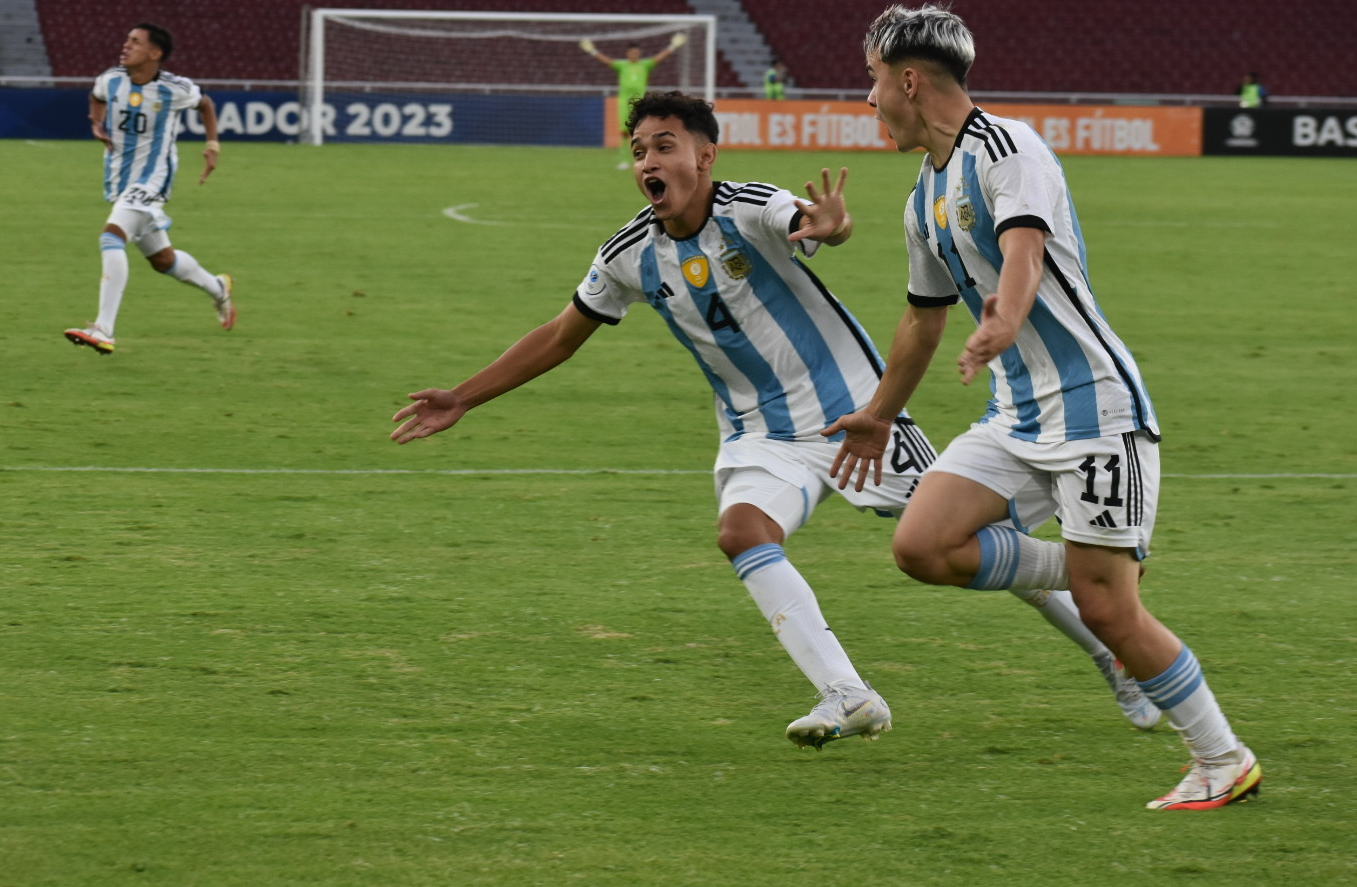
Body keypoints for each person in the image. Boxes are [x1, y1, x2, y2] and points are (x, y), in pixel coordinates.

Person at [392, 89, 1161, 751]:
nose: (649, 162)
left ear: (707, 156)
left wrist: (828, 225)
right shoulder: (629, 253)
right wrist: (464, 395)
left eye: (666, 145)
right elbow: (561, 335)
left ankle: (1109, 646)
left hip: (859, 418)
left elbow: (814, 222)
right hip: (760, 436)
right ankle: (849, 696)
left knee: (971, 545)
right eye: (638, 151)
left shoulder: (751, 208)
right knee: (742, 533)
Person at [828, 3, 1259, 809]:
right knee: (921, 544)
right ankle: (1103, 572)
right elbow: (923, 319)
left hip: (1096, 411)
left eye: (873, 82)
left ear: (910, 80)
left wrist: (1005, 319)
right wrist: (882, 412)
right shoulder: (923, 196)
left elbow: (1023, 248)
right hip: (1017, 418)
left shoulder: (1009, 148)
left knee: (1111, 615)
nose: (870, 100)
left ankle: (1223, 757)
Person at [62, 23, 235, 355]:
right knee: (163, 260)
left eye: (135, 42)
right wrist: (96, 123)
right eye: (126, 39)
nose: (126, 46)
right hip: (120, 179)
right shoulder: (111, 79)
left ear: (155, 53)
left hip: (153, 180)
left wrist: (212, 144)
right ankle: (218, 287)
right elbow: (96, 97)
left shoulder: (175, 88)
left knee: (111, 237)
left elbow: (206, 104)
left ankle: (103, 329)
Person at [580, 33, 687, 168]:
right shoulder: (622, 65)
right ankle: (624, 159)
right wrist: (592, 51)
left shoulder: (645, 65)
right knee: (624, 132)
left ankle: (644, 159)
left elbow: (660, 58)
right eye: (632, 53)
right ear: (628, 54)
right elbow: (607, 61)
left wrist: (673, 46)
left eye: (636, 53)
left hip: (640, 104)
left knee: (641, 132)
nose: (634, 55)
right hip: (624, 103)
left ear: (639, 54)